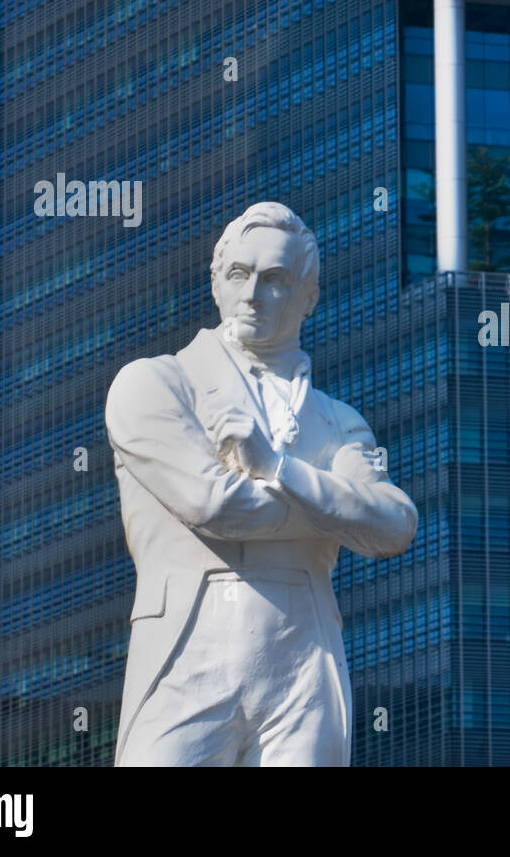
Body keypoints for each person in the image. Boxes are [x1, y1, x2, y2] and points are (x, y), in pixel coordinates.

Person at [105, 200, 417, 766]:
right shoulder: (153, 385)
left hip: (304, 662)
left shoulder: (337, 420)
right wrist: (331, 508)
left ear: (308, 296)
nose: (252, 295)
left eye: (274, 280)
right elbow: (215, 505)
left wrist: (278, 467)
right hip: (185, 651)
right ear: (216, 284)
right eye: (238, 275)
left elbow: (393, 524)